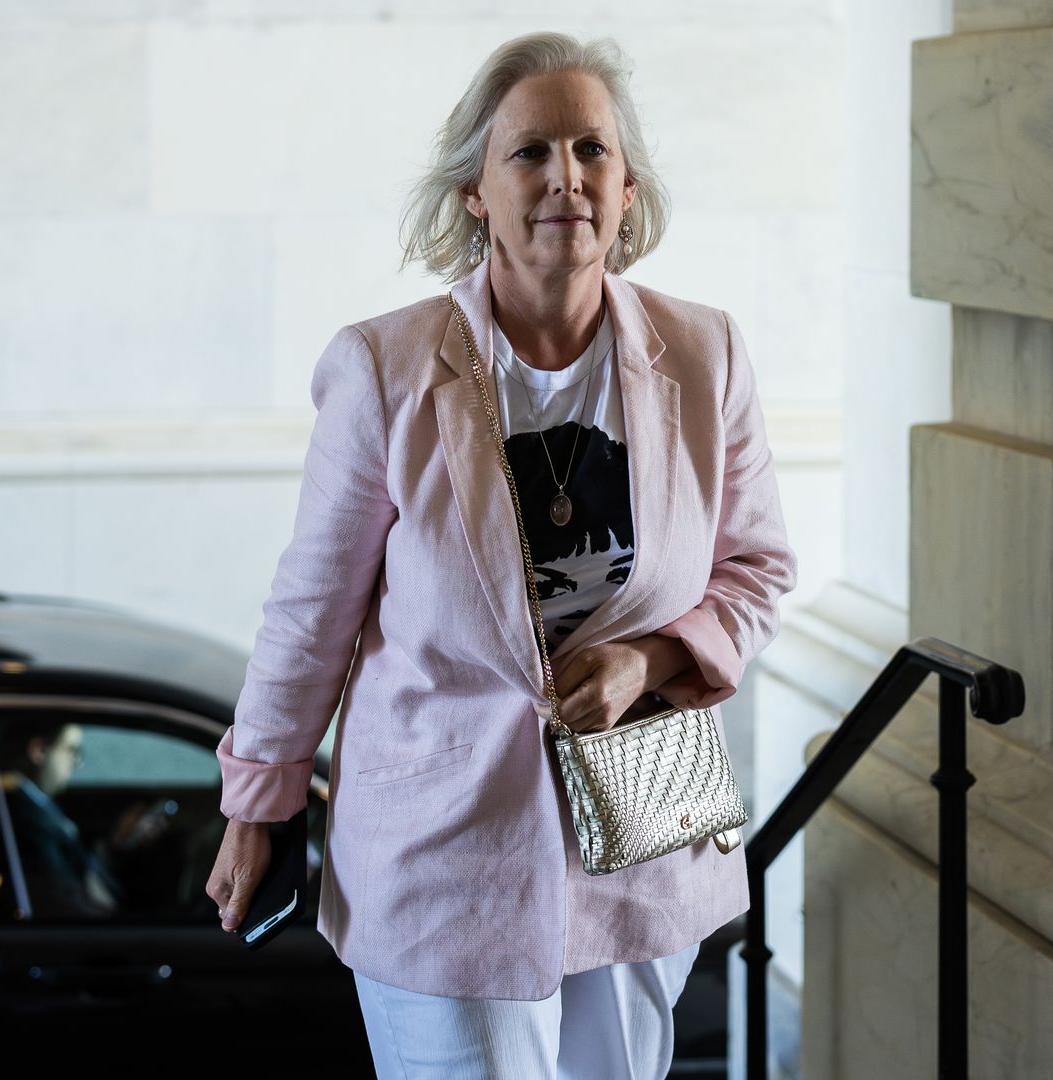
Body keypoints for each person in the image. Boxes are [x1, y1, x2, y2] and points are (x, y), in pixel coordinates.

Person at [205, 30, 796, 1079]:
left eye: (590, 150)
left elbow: (756, 569)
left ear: (625, 190)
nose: (563, 177)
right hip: (443, 854)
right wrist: (261, 805)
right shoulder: (384, 369)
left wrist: (649, 660)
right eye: (529, 152)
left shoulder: (706, 355)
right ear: (476, 190)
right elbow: (312, 614)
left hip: (636, 844)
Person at [0, 719, 121, 918]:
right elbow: (58, 896)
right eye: (71, 750)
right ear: (39, 751)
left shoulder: (35, 805)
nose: (76, 763)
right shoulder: (23, 814)